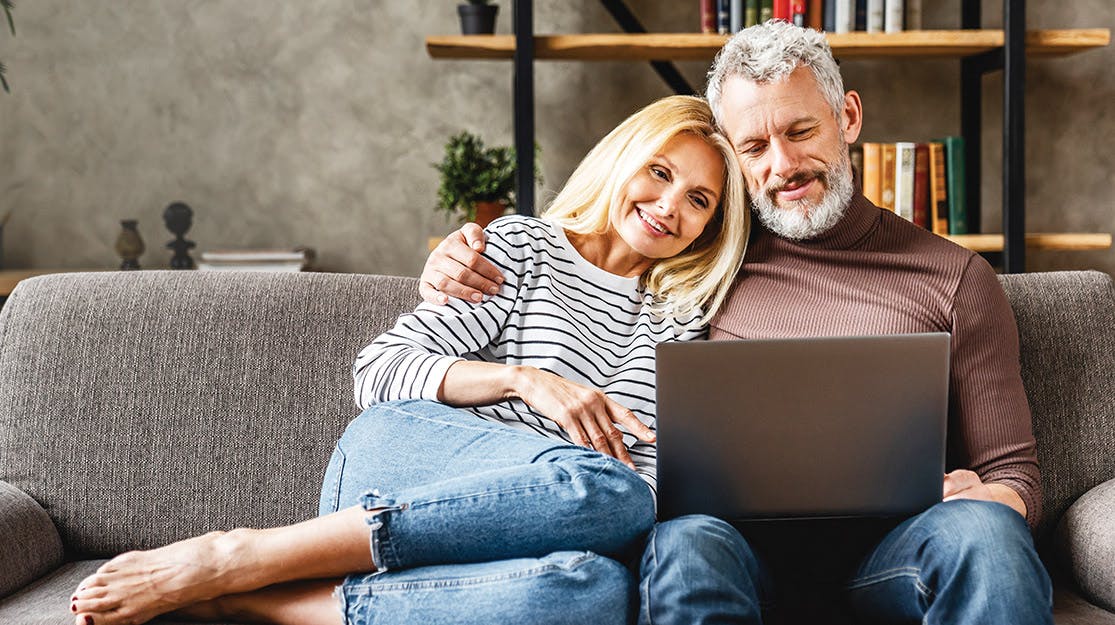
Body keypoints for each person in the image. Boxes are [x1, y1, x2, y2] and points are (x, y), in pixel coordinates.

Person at [420, 20, 1054, 625]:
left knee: (985, 530)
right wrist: (453, 268)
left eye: (801, 131)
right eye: (753, 146)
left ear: (848, 117)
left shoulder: (957, 278)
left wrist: (995, 499)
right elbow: (586, 263)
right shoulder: (697, 260)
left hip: (892, 557)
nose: (783, 165)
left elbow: (1015, 473)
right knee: (686, 542)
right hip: (730, 553)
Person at [68, 94, 750, 625]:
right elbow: (381, 370)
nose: (668, 205)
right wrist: (525, 382)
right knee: (601, 488)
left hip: (533, 527)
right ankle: (239, 553)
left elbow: (648, 481)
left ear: (712, 226)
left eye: (698, 200)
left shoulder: (677, 319)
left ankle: (254, 602)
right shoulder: (519, 247)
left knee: (593, 591)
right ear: (621, 157)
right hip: (411, 468)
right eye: (659, 171)